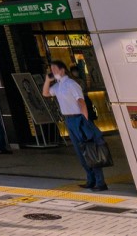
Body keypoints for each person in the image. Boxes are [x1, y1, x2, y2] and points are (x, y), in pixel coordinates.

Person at [44, 60, 105, 191]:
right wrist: (47, 80)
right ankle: (91, 179)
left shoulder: (71, 84)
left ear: (62, 70)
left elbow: (81, 102)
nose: (53, 72)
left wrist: (85, 120)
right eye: (51, 70)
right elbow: (46, 93)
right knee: (80, 151)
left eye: (55, 70)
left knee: (90, 149)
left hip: (79, 118)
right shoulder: (58, 86)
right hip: (69, 119)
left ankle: (100, 182)